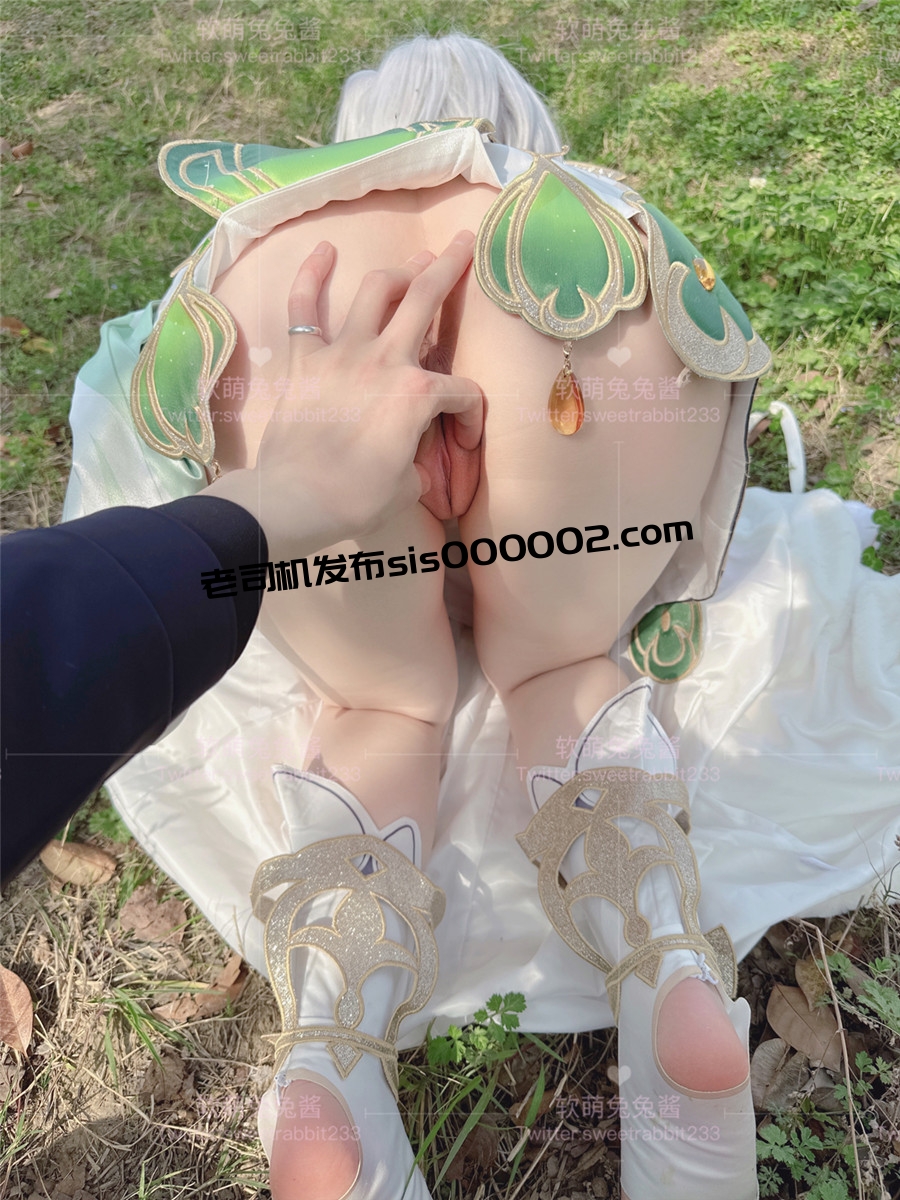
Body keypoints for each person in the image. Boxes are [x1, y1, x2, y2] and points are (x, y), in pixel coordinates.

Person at [59, 32, 900, 1200]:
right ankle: (658, 949)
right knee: (558, 664)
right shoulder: (570, 201)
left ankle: (336, 1032)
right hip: (573, 287)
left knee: (384, 701)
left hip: (297, 310)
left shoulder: (283, 224)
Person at [0, 240, 484, 884]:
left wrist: (278, 497)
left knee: (386, 707)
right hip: (520, 307)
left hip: (270, 357)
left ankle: (347, 935)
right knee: (559, 666)